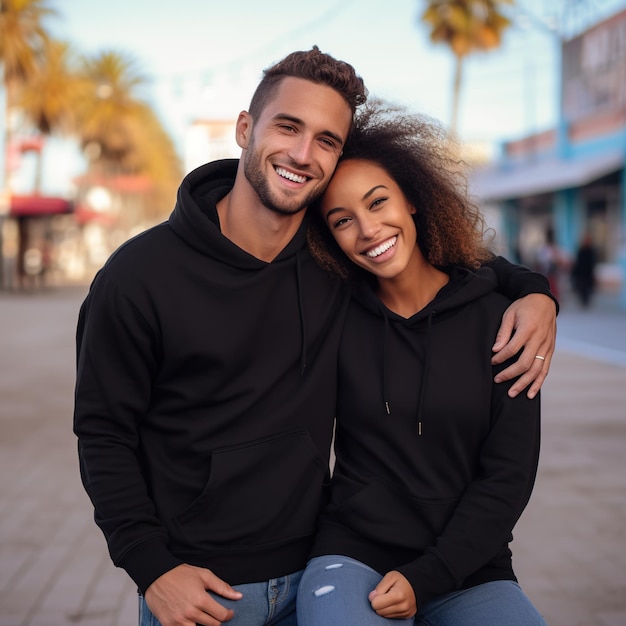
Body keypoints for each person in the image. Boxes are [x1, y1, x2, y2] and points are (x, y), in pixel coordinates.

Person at [73, 49, 556, 626]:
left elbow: (439, 263)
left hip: (314, 570)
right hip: (201, 591)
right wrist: (150, 567)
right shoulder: (137, 278)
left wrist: (534, 290)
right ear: (246, 129)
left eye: (327, 140)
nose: (304, 153)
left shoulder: (331, 259)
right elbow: (103, 432)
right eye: (288, 126)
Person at [297, 103, 547, 625]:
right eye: (343, 221)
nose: (367, 230)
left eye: (377, 202)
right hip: (352, 553)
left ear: (412, 199)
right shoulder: (335, 315)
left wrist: (427, 576)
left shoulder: (502, 322)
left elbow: (508, 477)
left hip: (469, 566)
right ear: (330, 238)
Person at [571, 232, 597, 307]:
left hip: (588, 273)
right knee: (581, 287)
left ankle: (586, 301)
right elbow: (578, 262)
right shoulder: (581, 250)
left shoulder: (591, 251)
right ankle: (583, 301)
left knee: (587, 288)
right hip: (581, 273)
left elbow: (592, 262)